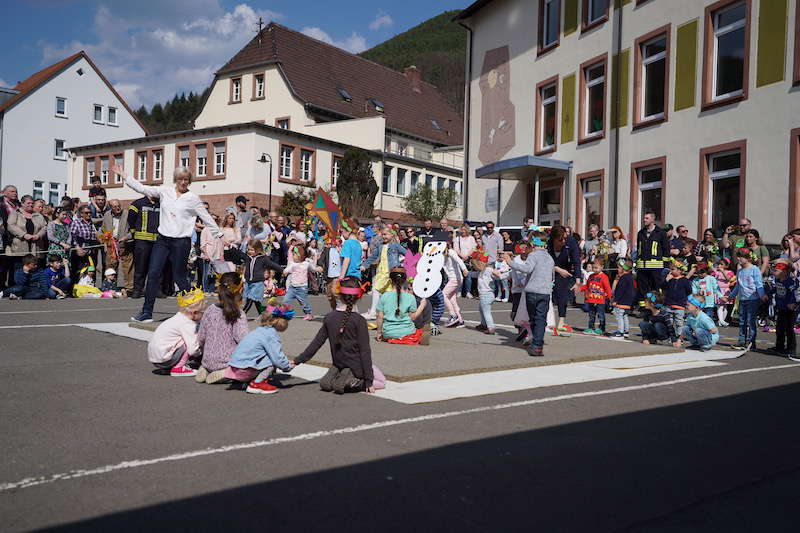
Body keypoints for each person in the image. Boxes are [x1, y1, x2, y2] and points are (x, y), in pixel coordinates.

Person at [114, 164, 222, 323]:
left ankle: (197, 310)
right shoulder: (165, 191)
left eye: (186, 179)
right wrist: (124, 175)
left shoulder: (192, 199)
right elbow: (142, 188)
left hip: (181, 242)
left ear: (190, 181)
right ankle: (146, 312)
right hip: (163, 240)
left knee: (180, 278)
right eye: (180, 179)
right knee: (153, 274)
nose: (183, 182)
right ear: (175, 180)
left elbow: (206, 217)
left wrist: (219, 234)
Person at [294, 277, 375, 394]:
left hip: (338, 362)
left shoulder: (329, 317)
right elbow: (365, 351)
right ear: (359, 296)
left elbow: (316, 343)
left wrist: (298, 360)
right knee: (380, 378)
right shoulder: (359, 320)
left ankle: (335, 376)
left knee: (331, 378)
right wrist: (369, 380)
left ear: (339, 295)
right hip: (355, 365)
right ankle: (348, 379)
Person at [222, 302, 295, 394]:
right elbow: (277, 357)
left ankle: (245, 382)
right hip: (244, 370)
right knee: (271, 360)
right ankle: (257, 384)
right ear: (279, 321)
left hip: (235, 367)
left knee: (262, 354)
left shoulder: (258, 331)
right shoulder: (271, 335)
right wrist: (287, 366)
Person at [504, 232, 555, 356]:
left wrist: (510, 262)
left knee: (534, 318)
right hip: (545, 292)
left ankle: (536, 344)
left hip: (532, 292)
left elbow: (527, 269)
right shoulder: (550, 258)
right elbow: (552, 276)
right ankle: (538, 344)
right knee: (541, 319)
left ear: (532, 244)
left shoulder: (533, 256)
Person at [196, 272, 249, 384]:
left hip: (207, 360)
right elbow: (243, 341)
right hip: (227, 362)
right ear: (240, 290)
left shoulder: (210, 309)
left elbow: (201, 336)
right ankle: (227, 372)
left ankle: (205, 369)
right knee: (253, 368)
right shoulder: (238, 313)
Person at [146, 289, 205, 377]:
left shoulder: (177, 318)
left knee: (181, 339)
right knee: (191, 342)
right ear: (194, 313)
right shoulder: (187, 324)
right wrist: (201, 353)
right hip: (165, 359)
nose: (204, 315)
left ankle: (172, 366)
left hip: (156, 358)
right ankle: (178, 368)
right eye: (203, 312)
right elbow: (193, 349)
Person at [726, 249, 767, 351]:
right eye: (738, 256)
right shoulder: (740, 271)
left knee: (750, 321)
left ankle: (751, 342)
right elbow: (738, 286)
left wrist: (762, 295)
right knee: (742, 321)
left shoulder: (754, 269)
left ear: (748, 258)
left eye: (741, 257)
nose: (739, 258)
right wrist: (731, 296)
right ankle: (741, 341)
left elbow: (759, 283)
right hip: (743, 299)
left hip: (753, 299)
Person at [376, 267, 429, 343]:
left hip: (388, 333)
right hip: (407, 332)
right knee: (423, 330)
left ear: (390, 280)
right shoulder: (410, 297)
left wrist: (379, 333)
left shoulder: (384, 295)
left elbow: (379, 317)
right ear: (405, 281)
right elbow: (413, 317)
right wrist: (422, 305)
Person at [361, 228, 405, 320]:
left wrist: (406, 263)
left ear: (391, 235)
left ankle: (375, 312)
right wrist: (365, 265)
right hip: (382, 272)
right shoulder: (380, 246)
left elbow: (407, 253)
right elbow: (373, 256)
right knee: (382, 291)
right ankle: (386, 313)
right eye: (383, 235)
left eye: (386, 234)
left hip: (391, 272)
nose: (384, 236)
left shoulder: (395, 246)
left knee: (379, 290)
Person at [548, 225, 581, 336]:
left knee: (562, 294)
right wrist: (557, 269)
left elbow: (576, 261)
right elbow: (544, 259)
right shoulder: (548, 243)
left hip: (565, 270)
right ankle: (546, 320)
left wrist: (577, 280)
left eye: (565, 238)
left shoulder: (571, 242)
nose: (563, 241)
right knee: (547, 295)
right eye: (561, 239)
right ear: (554, 238)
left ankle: (561, 321)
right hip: (549, 269)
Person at [127, 195, 162, 298]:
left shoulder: (161, 203)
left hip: (158, 240)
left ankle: (156, 290)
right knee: (140, 267)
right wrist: (134, 233)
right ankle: (137, 290)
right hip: (142, 241)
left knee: (157, 267)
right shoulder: (137, 203)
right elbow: (131, 219)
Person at [635, 211, 670, 303]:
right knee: (643, 289)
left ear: (653, 219)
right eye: (644, 218)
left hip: (656, 268)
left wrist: (665, 266)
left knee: (656, 289)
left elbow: (666, 250)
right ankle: (645, 308)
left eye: (646, 218)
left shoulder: (661, 233)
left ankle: (656, 306)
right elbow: (639, 249)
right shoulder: (641, 233)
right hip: (642, 267)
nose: (644, 220)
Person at [241, 239, 282, 316]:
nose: (250, 251)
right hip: (248, 283)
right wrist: (230, 247)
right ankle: (263, 314)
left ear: (258, 249)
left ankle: (242, 314)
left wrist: (282, 270)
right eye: (248, 249)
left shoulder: (263, 258)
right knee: (256, 301)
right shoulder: (248, 258)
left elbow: (272, 264)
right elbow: (238, 254)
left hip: (257, 283)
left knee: (251, 298)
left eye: (252, 250)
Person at [767, 259, 798, 356]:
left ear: (784, 272)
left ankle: (791, 349)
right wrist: (767, 295)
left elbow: (794, 293)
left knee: (789, 329)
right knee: (779, 328)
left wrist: (792, 303)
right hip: (781, 307)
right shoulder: (777, 280)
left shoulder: (790, 282)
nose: (774, 272)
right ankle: (779, 347)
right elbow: (774, 289)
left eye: (776, 270)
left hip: (790, 309)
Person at [5, 195, 47, 261]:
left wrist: (38, 235)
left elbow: (44, 227)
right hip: (19, 247)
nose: (31, 205)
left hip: (35, 247)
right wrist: (24, 235)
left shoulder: (38, 215)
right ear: (22, 203)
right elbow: (11, 226)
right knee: (19, 268)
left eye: (32, 203)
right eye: (28, 203)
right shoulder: (15, 213)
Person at [283, 245, 320, 320]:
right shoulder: (292, 264)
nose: (293, 256)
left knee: (304, 302)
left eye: (294, 254)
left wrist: (317, 269)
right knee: (286, 300)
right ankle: (285, 313)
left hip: (302, 287)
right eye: (292, 254)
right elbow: (287, 269)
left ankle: (308, 313)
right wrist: (285, 272)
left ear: (300, 255)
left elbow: (313, 269)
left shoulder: (306, 263)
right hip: (292, 287)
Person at [101, 199, 130, 292]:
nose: (117, 208)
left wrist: (127, 237)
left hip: (125, 244)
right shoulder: (107, 215)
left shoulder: (127, 214)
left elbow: (133, 229)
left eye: (118, 206)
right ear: (110, 207)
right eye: (115, 206)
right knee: (110, 266)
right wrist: (105, 243)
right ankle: (110, 287)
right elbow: (103, 230)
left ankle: (129, 288)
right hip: (111, 244)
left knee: (127, 267)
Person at [579, 258, 612, 335]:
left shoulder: (604, 277)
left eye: (596, 268)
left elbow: (607, 288)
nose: (594, 269)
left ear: (602, 267)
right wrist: (580, 288)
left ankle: (601, 328)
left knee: (601, 315)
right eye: (593, 267)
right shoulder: (591, 276)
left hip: (600, 300)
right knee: (591, 315)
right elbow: (587, 286)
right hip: (591, 299)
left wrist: (610, 297)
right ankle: (591, 327)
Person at [664, 259, 692, 348]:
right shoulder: (670, 279)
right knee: (670, 322)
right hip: (669, 304)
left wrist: (683, 299)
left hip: (679, 305)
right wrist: (666, 280)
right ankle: (672, 337)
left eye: (673, 269)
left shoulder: (684, 280)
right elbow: (662, 287)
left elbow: (689, 290)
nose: (671, 271)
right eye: (670, 269)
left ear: (679, 270)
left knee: (679, 322)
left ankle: (679, 338)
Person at [471, 249, 500, 335]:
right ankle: (483, 324)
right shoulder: (481, 272)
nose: (475, 267)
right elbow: (473, 274)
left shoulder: (488, 269)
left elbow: (496, 273)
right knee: (481, 309)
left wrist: (498, 275)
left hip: (486, 294)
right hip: (486, 295)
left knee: (486, 312)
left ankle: (490, 327)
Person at [69, 204, 101, 283]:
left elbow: (96, 236)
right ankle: (75, 289)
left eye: (90, 212)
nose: (89, 214)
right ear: (81, 214)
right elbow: (72, 236)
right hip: (80, 251)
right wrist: (77, 247)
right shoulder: (76, 222)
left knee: (92, 270)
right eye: (86, 213)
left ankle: (90, 287)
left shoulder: (92, 223)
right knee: (79, 271)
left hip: (92, 251)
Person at [442, 239, 469, 328]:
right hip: (453, 279)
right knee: (452, 299)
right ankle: (460, 321)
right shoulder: (442, 254)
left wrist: (464, 269)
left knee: (443, 295)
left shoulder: (451, 252)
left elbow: (458, 260)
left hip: (455, 279)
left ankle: (453, 316)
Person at [610, 258, 635, 338]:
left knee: (619, 316)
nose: (617, 269)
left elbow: (620, 290)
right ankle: (626, 331)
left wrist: (615, 300)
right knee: (625, 316)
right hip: (628, 301)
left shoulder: (624, 278)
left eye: (619, 267)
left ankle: (620, 332)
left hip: (622, 301)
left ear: (623, 268)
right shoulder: (630, 277)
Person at [317, 238, 342, 310]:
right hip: (329, 275)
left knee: (335, 292)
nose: (335, 241)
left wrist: (340, 251)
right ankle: (334, 310)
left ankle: (340, 308)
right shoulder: (327, 249)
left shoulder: (342, 249)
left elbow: (345, 259)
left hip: (338, 275)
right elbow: (321, 259)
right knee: (330, 295)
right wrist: (320, 266)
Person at [454, 225, 477, 298]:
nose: (463, 231)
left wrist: (467, 256)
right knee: (460, 276)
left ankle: (468, 292)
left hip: (469, 259)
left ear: (467, 230)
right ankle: (459, 291)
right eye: (462, 230)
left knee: (468, 276)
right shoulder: (458, 238)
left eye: (464, 230)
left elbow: (473, 248)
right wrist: (461, 256)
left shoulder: (471, 238)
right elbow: (456, 249)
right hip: (460, 259)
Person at [713, 258, 735, 327]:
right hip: (718, 290)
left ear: (727, 266)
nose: (719, 265)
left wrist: (722, 271)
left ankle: (722, 320)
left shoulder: (729, 272)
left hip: (725, 290)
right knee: (720, 306)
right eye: (719, 264)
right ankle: (722, 321)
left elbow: (728, 279)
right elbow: (712, 272)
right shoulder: (717, 272)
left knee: (725, 307)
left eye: (721, 264)